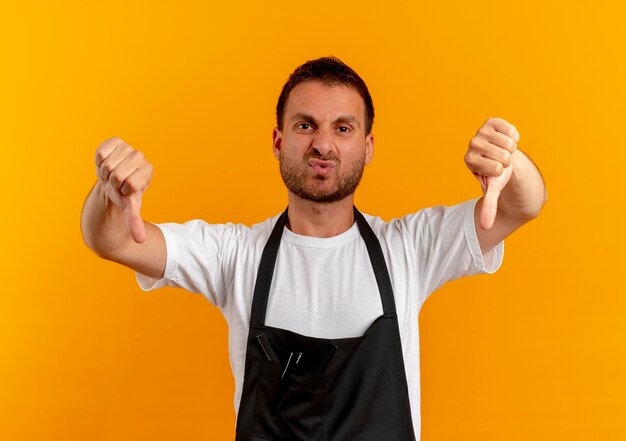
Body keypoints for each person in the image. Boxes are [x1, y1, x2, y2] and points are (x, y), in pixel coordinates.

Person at [81, 56, 547, 441]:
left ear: (367, 147)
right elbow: (113, 239)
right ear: (279, 141)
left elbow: (523, 205)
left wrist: (511, 163)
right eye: (306, 125)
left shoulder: (408, 250)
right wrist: (108, 193)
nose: (322, 144)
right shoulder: (234, 255)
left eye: (343, 129)